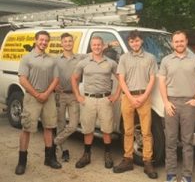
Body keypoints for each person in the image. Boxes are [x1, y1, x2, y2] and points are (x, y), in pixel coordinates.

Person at [159, 30, 195, 182]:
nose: (179, 43)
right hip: (171, 103)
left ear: (186, 41)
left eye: (181, 41)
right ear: (172, 43)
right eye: (176, 41)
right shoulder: (166, 60)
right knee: (170, 141)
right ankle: (171, 175)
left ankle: (187, 175)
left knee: (187, 142)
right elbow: (161, 83)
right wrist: (166, 102)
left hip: (188, 104)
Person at [15, 31, 62, 175]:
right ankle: (22, 162)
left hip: (48, 98)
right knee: (27, 128)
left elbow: (56, 79)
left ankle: (49, 158)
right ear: (36, 40)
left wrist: (47, 93)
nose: (43, 42)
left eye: (46, 40)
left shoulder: (52, 60)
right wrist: (37, 94)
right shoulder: (27, 58)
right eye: (41, 40)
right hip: (31, 97)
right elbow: (22, 79)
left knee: (49, 127)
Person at [113, 30, 158, 179]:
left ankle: (147, 162)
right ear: (129, 43)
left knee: (146, 132)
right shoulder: (124, 58)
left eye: (137, 40)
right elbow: (121, 79)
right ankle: (128, 159)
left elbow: (152, 79)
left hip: (144, 96)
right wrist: (130, 97)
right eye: (132, 41)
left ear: (141, 41)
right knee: (128, 130)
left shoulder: (150, 58)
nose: (135, 43)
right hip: (128, 97)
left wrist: (144, 96)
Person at [71, 36, 120, 169]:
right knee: (88, 129)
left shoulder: (111, 63)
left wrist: (116, 95)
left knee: (107, 129)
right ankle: (86, 155)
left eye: (99, 45)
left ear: (103, 46)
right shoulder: (84, 62)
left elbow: (121, 78)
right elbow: (74, 79)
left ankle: (108, 155)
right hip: (88, 100)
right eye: (94, 45)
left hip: (105, 100)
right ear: (91, 46)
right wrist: (78, 96)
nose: (97, 47)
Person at [53, 33, 87, 162]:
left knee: (73, 125)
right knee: (60, 124)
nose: (68, 43)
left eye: (70, 41)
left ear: (73, 43)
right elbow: (49, 74)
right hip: (60, 96)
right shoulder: (55, 59)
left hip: (74, 95)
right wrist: (54, 85)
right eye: (65, 41)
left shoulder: (80, 58)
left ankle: (54, 143)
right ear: (61, 44)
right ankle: (64, 151)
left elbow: (95, 51)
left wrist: (109, 45)